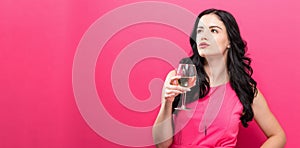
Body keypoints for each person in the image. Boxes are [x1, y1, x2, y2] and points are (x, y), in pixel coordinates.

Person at [152, 8, 286, 148]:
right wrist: (167, 103)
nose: (204, 36)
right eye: (200, 31)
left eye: (213, 30)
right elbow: (161, 145)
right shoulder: (178, 79)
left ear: (229, 42)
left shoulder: (244, 89)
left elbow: (278, 136)